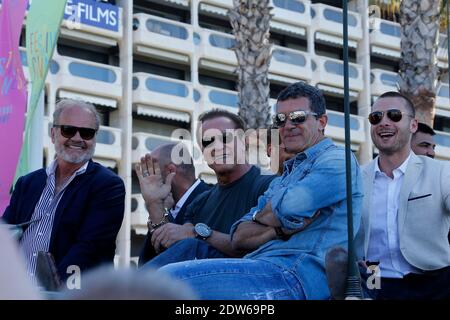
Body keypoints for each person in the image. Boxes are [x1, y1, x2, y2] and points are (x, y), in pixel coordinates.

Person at [151, 81, 363, 300]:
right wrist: (278, 226)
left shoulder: (337, 159)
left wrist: (263, 216)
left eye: (298, 116)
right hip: (262, 266)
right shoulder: (289, 174)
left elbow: (291, 207)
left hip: (295, 275)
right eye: (280, 119)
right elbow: (239, 236)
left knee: (168, 281)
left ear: (322, 121)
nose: (288, 125)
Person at [2, 99, 125, 282]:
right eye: (68, 130)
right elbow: (6, 233)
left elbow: (89, 248)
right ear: (53, 134)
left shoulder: (108, 186)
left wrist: (49, 287)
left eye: (87, 132)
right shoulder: (27, 183)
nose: (77, 138)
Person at [137, 109, 275, 269]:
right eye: (208, 141)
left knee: (192, 246)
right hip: (199, 289)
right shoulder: (199, 203)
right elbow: (171, 255)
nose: (217, 147)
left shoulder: (270, 187)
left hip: (251, 286)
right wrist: (155, 204)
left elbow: (265, 247)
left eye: (225, 138)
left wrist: (198, 233)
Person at [355, 91, 450, 299]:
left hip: (433, 282)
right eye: (376, 117)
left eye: (394, 115)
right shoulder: (356, 179)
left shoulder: (441, 172)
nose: (384, 122)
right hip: (374, 281)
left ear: (413, 125)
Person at [138, 143, 211, 265]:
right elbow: (148, 262)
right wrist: (155, 204)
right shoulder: (167, 207)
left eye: (152, 171)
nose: (147, 179)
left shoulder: (210, 199)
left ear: (171, 170)